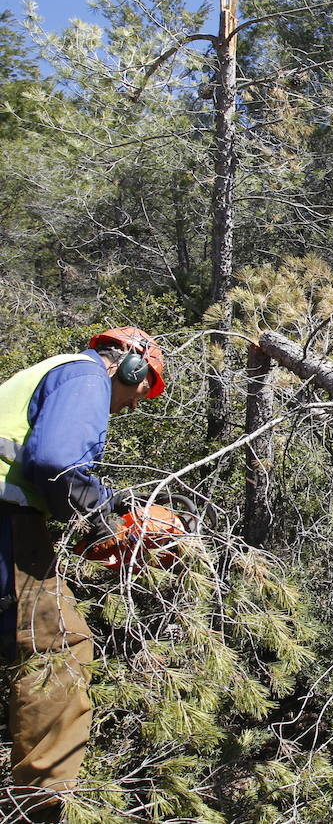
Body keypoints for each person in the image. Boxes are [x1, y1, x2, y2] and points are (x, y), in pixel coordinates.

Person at [0, 326, 165, 822]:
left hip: (13, 517)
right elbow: (55, 463)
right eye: (142, 390)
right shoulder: (85, 375)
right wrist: (105, 522)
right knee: (57, 649)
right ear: (131, 366)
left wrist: (94, 525)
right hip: (7, 521)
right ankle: (41, 803)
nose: (135, 406)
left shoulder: (49, 375)